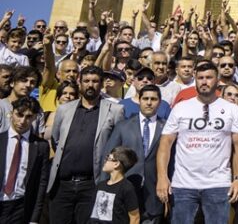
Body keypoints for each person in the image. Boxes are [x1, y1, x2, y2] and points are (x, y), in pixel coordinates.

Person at [156, 62, 238, 224]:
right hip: (183, 185)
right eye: (200, 78)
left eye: (209, 77)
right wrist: (162, 177)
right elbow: (165, 145)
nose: (204, 81)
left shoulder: (232, 109)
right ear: (195, 80)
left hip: (218, 184)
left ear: (217, 80)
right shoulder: (181, 108)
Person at [49, 66, 125, 224]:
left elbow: (118, 145)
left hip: (92, 184)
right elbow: (56, 141)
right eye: (86, 81)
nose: (90, 85)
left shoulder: (115, 110)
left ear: (102, 83)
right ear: (79, 83)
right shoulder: (64, 110)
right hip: (62, 185)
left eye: (95, 81)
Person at [102, 85, 166, 223]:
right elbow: (108, 158)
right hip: (125, 190)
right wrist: (104, 188)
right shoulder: (123, 126)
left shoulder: (167, 127)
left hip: (154, 194)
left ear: (160, 102)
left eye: (153, 99)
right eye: (145, 98)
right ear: (139, 100)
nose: (149, 102)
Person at [0, 97, 50, 223]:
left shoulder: (40, 146)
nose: (22, 121)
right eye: (19, 115)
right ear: (12, 113)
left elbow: (41, 184)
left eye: (28, 117)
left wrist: (34, 218)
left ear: (34, 118)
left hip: (21, 207)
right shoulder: (1, 140)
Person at [89, 146, 139, 224]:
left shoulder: (127, 188)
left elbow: (135, 217)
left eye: (108, 158)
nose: (104, 161)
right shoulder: (100, 185)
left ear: (116, 164)